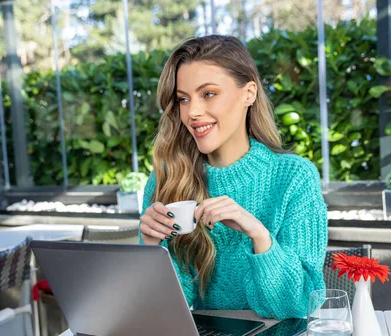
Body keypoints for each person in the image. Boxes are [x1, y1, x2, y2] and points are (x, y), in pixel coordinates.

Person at [139, 35, 327, 319]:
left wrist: (258, 234)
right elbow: (160, 312)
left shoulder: (294, 178)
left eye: (209, 94)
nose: (193, 112)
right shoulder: (168, 177)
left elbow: (298, 304)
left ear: (248, 93)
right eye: (183, 99)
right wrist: (152, 246)